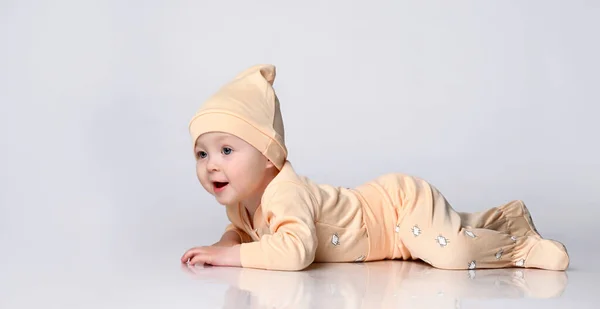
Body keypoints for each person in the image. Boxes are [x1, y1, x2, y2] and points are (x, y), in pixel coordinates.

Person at [180, 64, 570, 272]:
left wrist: (228, 258)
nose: (212, 165)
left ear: (270, 157)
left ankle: (520, 248)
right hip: (394, 239)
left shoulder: (285, 191)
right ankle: (505, 218)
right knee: (444, 235)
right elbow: (240, 230)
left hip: (396, 208)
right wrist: (224, 244)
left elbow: (295, 252)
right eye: (202, 154)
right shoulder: (243, 201)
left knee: (449, 255)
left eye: (226, 150)